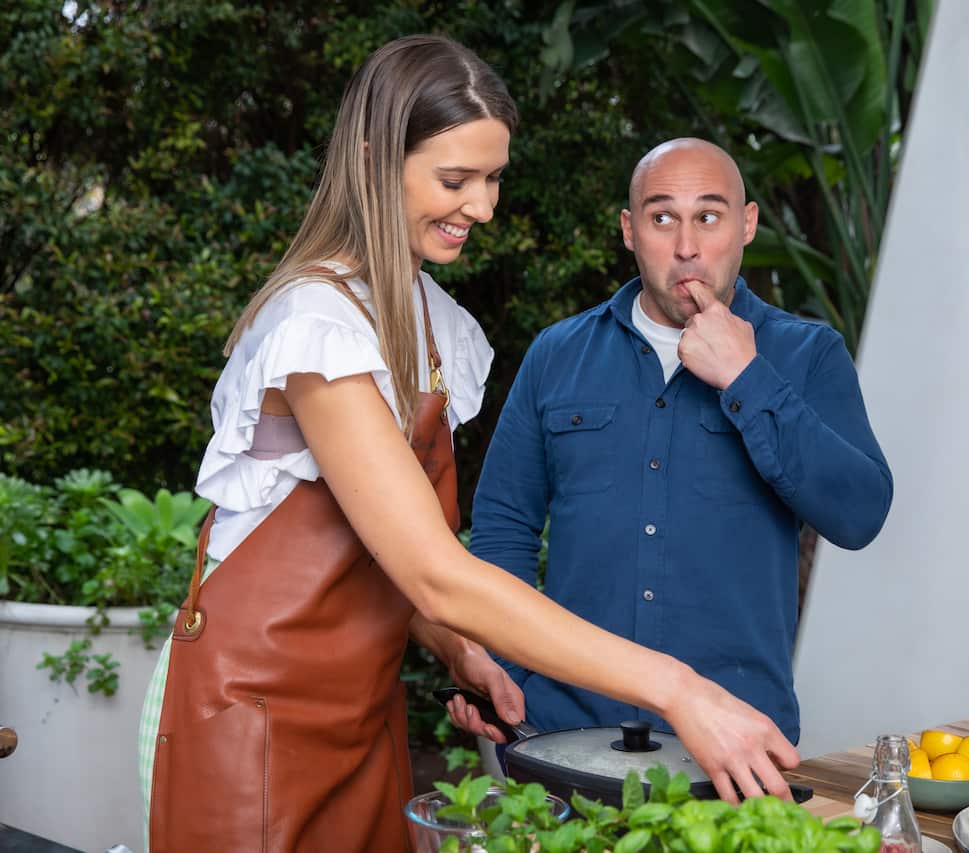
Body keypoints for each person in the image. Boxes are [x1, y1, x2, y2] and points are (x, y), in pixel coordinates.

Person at [138, 40, 798, 852]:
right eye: (456, 180)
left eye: (492, 178)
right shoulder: (316, 325)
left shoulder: (437, 327)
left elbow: (386, 554)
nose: (483, 206)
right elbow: (435, 571)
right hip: (251, 711)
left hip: (361, 709)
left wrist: (459, 646)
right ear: (378, 160)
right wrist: (680, 689)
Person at [468, 137, 893, 748]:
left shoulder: (807, 355)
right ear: (628, 230)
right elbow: (504, 528)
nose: (687, 246)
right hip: (565, 732)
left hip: (737, 740)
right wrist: (507, 675)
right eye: (662, 217)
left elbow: (860, 515)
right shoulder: (558, 354)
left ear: (746, 225)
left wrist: (746, 377)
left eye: (709, 217)